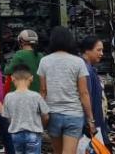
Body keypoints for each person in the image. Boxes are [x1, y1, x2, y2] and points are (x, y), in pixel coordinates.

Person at [37, 26, 94, 154]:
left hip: (52, 114)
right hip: (74, 115)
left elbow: (43, 91)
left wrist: (40, 114)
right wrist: (90, 119)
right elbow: (83, 93)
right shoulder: (78, 62)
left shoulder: (44, 61)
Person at [2, 64, 49, 154]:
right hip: (34, 134)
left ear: (12, 78)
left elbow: (7, 117)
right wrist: (41, 126)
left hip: (15, 135)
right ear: (31, 78)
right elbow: (46, 116)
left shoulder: (8, 97)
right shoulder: (36, 96)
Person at [79, 36, 110, 146]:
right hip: (92, 120)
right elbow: (86, 95)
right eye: (98, 50)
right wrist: (90, 121)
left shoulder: (88, 68)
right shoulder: (85, 70)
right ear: (87, 50)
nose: (101, 53)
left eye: (102, 50)